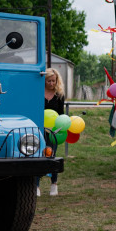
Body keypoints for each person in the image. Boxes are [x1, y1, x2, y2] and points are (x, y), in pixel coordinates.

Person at [42, 68, 66, 196]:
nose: (51, 83)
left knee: (52, 156)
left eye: (53, 81)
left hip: (53, 131)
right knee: (37, 156)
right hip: (40, 129)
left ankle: (54, 184)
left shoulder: (59, 95)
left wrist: (58, 129)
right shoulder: (38, 93)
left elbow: (61, 114)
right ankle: (36, 186)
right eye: (48, 81)